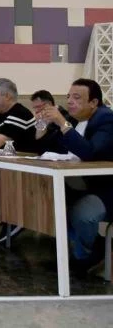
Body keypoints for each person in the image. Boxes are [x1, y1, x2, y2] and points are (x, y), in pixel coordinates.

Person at [36, 79, 113, 274]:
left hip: (105, 189)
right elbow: (45, 147)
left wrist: (62, 123)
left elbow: (90, 153)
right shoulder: (76, 119)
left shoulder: (106, 120)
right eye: (69, 96)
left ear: (93, 103)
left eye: (77, 98)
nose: (70, 101)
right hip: (78, 184)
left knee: (82, 215)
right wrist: (43, 125)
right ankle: (91, 247)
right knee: (49, 207)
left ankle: (87, 256)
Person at [0, 78, 36, 244]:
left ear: (7, 96)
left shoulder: (19, 113)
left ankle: (18, 219)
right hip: (9, 166)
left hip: (28, 170)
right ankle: (4, 217)